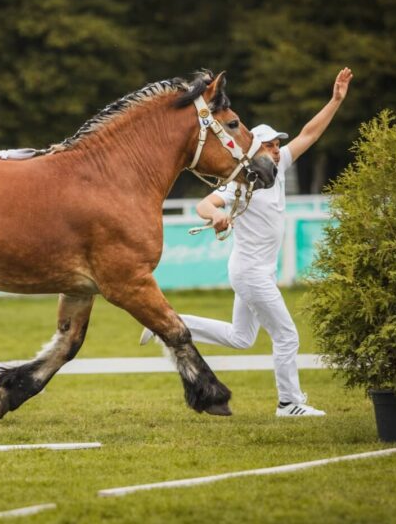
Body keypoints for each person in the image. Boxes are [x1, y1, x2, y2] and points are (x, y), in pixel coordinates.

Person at [140, 67, 353, 417]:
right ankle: (290, 403)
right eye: (269, 145)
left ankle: (167, 323)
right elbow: (203, 204)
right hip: (250, 272)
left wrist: (335, 101)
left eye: (277, 145)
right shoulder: (244, 181)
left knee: (242, 338)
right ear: (256, 147)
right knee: (287, 336)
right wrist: (216, 216)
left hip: (256, 272)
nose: (276, 149)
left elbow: (310, 133)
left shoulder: (278, 166)